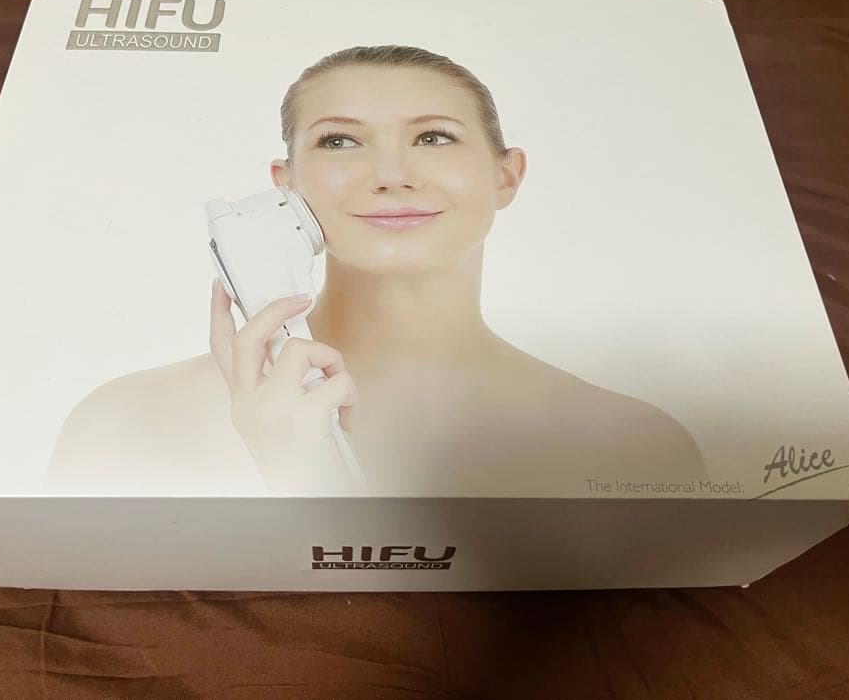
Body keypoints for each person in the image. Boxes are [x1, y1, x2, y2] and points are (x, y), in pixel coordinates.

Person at [46, 45, 708, 496]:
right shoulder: (121, 422)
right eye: (340, 141)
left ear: (506, 175)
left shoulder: (641, 447)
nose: (391, 174)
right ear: (285, 184)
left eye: (433, 136)